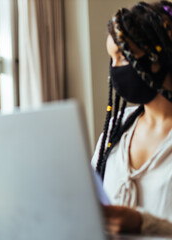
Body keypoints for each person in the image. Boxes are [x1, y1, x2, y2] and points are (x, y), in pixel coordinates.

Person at [91, 1, 172, 236]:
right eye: (111, 60)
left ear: (158, 56)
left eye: (123, 57)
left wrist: (145, 224)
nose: (114, 70)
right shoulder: (116, 129)